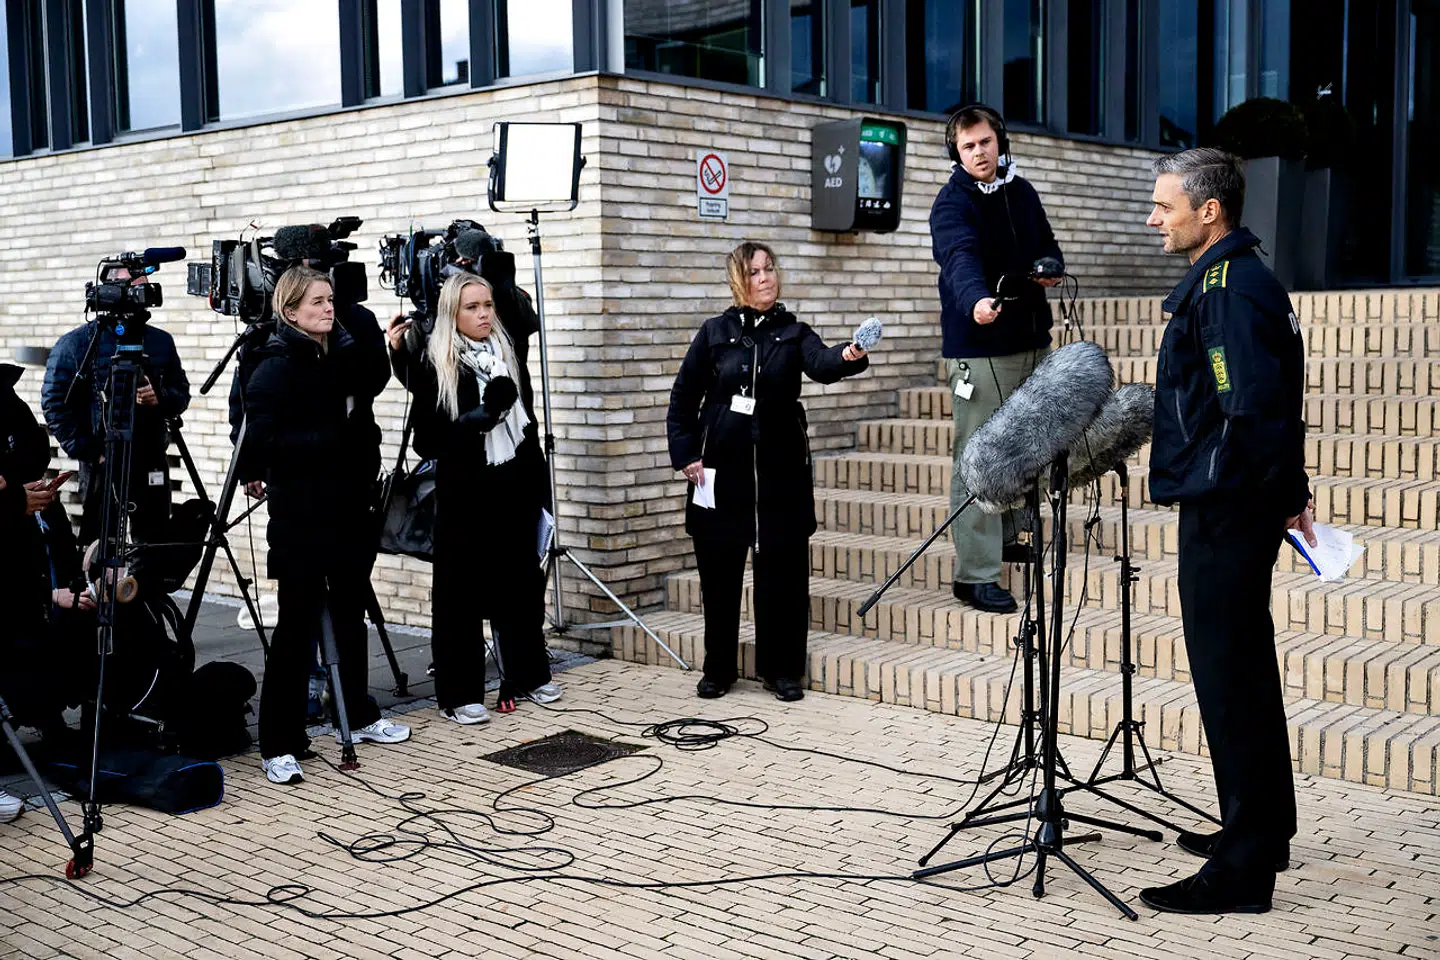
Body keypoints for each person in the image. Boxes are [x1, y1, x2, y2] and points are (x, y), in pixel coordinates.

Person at [1139, 147, 1314, 915]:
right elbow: (1266, 400)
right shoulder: (1234, 281)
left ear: (1209, 212)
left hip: (1226, 506)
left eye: (1165, 206)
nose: (1154, 218)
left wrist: (1265, 492)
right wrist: (1289, 491)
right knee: (1243, 671)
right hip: (1239, 500)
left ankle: (1244, 872)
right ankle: (1262, 827)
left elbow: (1251, 408)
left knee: (1228, 679)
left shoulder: (1228, 289)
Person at [667, 241, 870, 702]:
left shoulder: (794, 332)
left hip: (780, 476)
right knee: (719, 578)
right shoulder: (715, 333)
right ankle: (718, 668)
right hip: (721, 472)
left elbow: (822, 364)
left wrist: (850, 353)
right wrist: (685, 453)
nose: (766, 277)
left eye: (770, 268)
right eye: (755, 271)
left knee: (783, 576)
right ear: (740, 280)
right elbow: (683, 398)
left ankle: (781, 670)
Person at [244, 266, 410, 785]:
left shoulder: (339, 353)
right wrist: (322, 442)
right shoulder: (272, 366)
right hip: (301, 518)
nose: (328, 308)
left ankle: (355, 714)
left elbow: (366, 395)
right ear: (290, 310)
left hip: (349, 507)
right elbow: (261, 444)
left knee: (349, 612)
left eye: (331, 299)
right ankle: (280, 742)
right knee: (295, 627)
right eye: (316, 302)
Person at [387, 272, 560, 723]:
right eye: (472, 307)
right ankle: (459, 693)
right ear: (452, 313)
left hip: (513, 483)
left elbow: (525, 424)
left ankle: (527, 673)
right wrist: (473, 421)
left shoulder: (506, 353)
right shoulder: (437, 362)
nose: (484, 314)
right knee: (459, 594)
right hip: (465, 489)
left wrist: (536, 484)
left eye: (488, 305)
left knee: (522, 583)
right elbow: (428, 439)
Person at [929, 104, 1064, 614]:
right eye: (968, 146)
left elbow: (1045, 245)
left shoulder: (1021, 191)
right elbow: (958, 258)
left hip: (1031, 340)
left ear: (999, 141)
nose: (979, 152)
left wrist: (1050, 268)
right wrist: (975, 300)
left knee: (1025, 445)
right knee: (979, 458)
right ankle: (975, 575)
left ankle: (1012, 536)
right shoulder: (951, 204)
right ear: (956, 153)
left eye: (985, 142)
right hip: (980, 346)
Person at [42, 288, 190, 545]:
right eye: (133, 285)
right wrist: (90, 451)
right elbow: (55, 405)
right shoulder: (78, 344)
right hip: (102, 462)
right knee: (99, 545)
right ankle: (101, 584)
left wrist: (161, 396)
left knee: (153, 546)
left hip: (150, 459)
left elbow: (182, 395)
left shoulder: (160, 341)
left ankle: (146, 584)